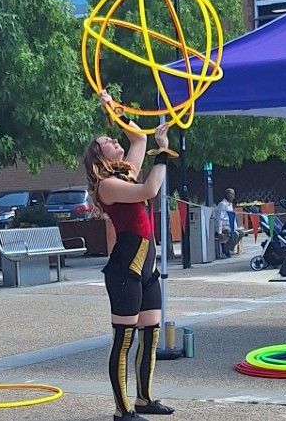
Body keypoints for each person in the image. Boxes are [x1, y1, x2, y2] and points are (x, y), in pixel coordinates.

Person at [84, 90, 175, 420]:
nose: (114, 138)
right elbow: (150, 190)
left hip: (146, 265)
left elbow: (137, 138)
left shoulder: (125, 173)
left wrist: (113, 107)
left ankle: (144, 399)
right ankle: (123, 411)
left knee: (150, 335)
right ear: (99, 156)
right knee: (123, 340)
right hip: (125, 269)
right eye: (108, 139)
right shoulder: (106, 186)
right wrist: (162, 154)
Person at [214, 188, 244, 258]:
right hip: (224, 227)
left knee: (241, 233)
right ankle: (225, 249)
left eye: (234, 194)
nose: (233, 196)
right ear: (227, 195)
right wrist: (219, 232)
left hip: (230, 227)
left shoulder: (230, 204)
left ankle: (228, 248)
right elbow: (219, 218)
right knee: (235, 234)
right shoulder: (222, 204)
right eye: (232, 194)